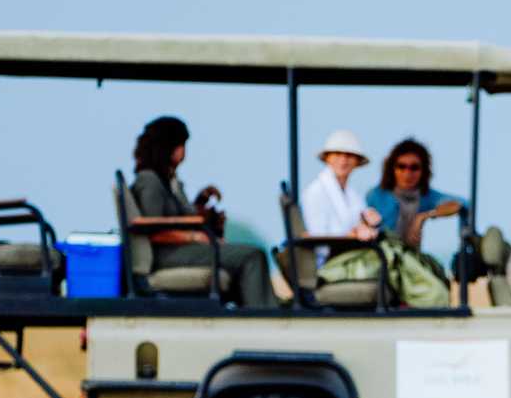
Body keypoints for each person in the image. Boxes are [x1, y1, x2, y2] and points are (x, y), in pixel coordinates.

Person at [129, 116, 275, 308]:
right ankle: (264, 317)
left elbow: (177, 217)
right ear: (167, 147)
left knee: (246, 254)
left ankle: (255, 309)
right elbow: (154, 231)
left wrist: (200, 204)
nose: (184, 152)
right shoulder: (150, 181)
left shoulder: (167, 180)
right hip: (166, 255)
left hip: (178, 251)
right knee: (253, 255)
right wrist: (195, 237)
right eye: (180, 145)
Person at [365, 138, 464, 250]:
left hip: (411, 258)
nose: (408, 173)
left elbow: (460, 204)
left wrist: (423, 216)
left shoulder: (426, 196)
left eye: (414, 167)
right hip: (380, 255)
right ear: (392, 168)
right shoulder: (376, 195)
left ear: (423, 171)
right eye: (401, 166)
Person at [300, 130, 380, 240]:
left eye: (349, 155)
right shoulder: (315, 192)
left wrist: (368, 223)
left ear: (357, 161)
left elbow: (358, 226)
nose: (343, 160)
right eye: (337, 154)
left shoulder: (353, 195)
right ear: (327, 158)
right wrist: (351, 235)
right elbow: (317, 237)